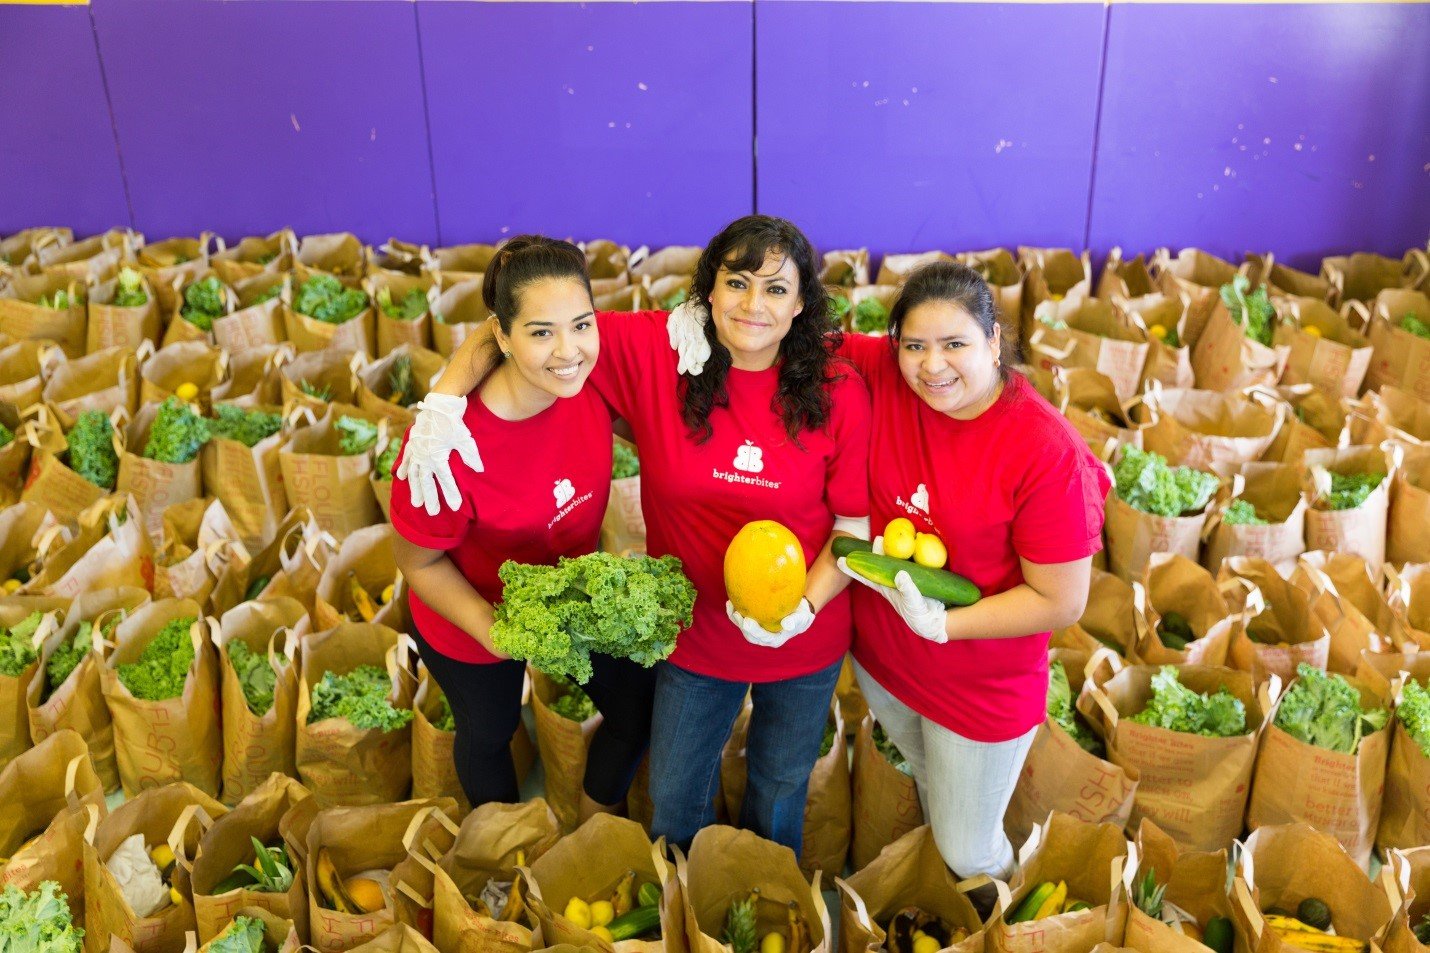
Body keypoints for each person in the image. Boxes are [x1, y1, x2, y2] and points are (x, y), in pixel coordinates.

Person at [399, 215, 872, 854]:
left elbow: (922, 365)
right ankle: (651, 878)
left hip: (804, 632)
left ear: (802, 304)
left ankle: (761, 880)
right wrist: (443, 401)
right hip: (695, 634)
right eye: (736, 281)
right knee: (673, 794)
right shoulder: (655, 352)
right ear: (708, 289)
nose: (754, 305)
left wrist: (806, 606)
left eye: (777, 290)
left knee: (783, 783)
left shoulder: (836, 381)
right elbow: (525, 320)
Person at [669, 259, 1109, 879]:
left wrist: (948, 627)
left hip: (978, 685)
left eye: (956, 344)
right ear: (893, 344)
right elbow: (770, 325)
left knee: (967, 848)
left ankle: (1005, 917)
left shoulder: (1045, 451)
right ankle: (954, 913)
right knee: (932, 788)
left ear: (994, 341)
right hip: (884, 664)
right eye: (915, 346)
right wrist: (696, 317)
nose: (933, 366)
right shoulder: (879, 368)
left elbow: (1061, 601)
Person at [388, 235, 657, 817]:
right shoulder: (445, 448)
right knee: (491, 730)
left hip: (572, 591)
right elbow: (416, 563)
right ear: (501, 337)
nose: (568, 350)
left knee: (639, 710)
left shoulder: (593, 375)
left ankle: (592, 822)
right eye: (540, 333)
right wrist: (496, 633)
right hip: (470, 611)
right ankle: (506, 846)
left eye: (581, 325)